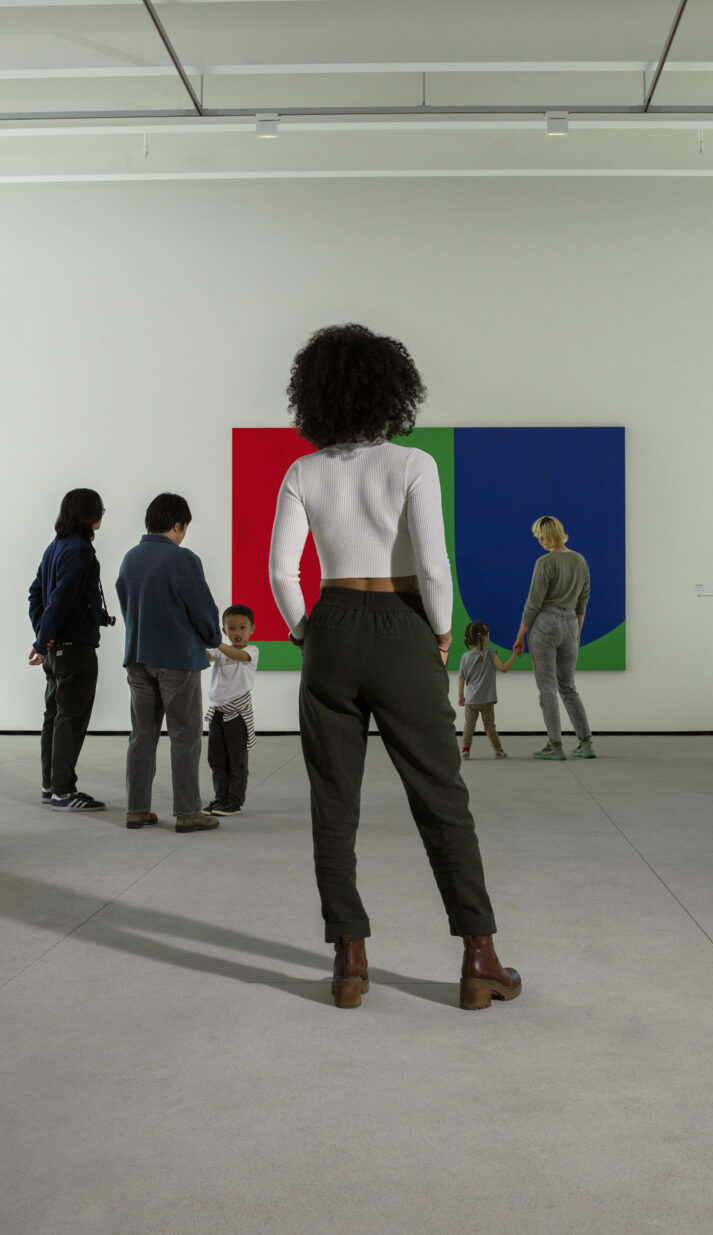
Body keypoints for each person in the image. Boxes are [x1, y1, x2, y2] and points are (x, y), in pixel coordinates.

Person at [269, 322, 521, 1012]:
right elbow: (434, 564)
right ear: (392, 389)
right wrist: (440, 635)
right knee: (442, 797)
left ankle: (348, 958)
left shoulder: (304, 472)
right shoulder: (412, 465)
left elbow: (281, 572)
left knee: (333, 801)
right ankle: (479, 956)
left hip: (331, 626)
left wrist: (305, 633)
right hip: (404, 623)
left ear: (315, 394)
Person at [116, 492, 224, 834]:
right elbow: (203, 611)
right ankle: (188, 812)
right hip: (177, 659)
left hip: (137, 657)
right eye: (184, 528)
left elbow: (126, 604)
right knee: (185, 736)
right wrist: (211, 638)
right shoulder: (183, 560)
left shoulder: (130, 559)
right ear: (178, 525)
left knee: (142, 735)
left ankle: (137, 810)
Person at [28, 487, 115, 812]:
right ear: (90, 515)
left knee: (54, 717)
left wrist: (44, 636)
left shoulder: (55, 548)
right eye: (101, 510)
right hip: (75, 648)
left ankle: (51, 786)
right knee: (70, 718)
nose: (102, 515)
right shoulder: (79, 551)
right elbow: (62, 597)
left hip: (56, 650)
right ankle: (63, 793)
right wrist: (43, 637)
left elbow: (36, 594)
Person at [511, 515, 594, 761]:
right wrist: (577, 630)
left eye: (541, 535)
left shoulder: (544, 562)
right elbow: (583, 599)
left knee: (547, 687)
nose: (538, 539)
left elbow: (534, 602)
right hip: (570, 624)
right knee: (568, 686)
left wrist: (520, 635)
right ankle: (586, 742)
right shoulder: (580, 560)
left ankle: (555, 745)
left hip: (545, 625)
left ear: (551, 534)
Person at [204, 604, 259, 816]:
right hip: (217, 712)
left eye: (243, 627)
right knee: (217, 759)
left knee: (236, 759)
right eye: (232, 628)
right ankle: (220, 799)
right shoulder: (219, 650)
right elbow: (207, 655)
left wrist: (215, 641)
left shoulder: (251, 651)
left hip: (237, 713)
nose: (238, 632)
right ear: (225, 630)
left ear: (252, 629)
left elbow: (237, 656)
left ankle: (234, 801)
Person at [456, 621, 520, 759]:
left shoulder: (465, 657)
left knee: (468, 727)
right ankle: (499, 751)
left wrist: (460, 696)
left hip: (471, 700)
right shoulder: (490, 652)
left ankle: (465, 750)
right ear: (483, 637)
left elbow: (461, 678)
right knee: (490, 727)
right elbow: (504, 668)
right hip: (487, 700)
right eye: (488, 635)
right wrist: (515, 654)